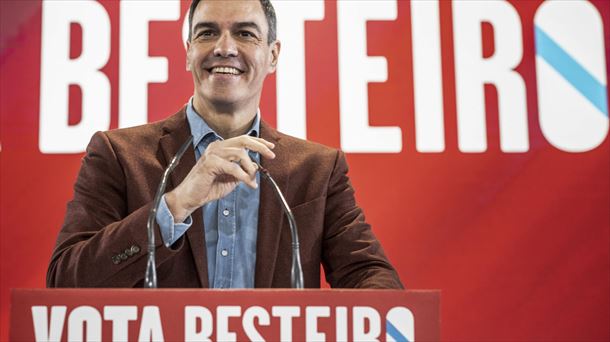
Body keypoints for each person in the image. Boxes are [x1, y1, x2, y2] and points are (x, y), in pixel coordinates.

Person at [47, 0, 403, 289]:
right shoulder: (119, 154)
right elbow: (66, 282)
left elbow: (372, 279)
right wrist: (175, 205)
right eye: (207, 33)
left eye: (245, 33)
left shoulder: (318, 169)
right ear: (188, 52)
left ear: (273, 55)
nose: (224, 48)